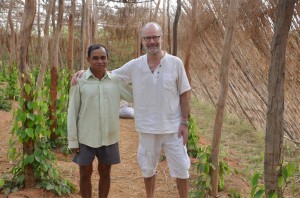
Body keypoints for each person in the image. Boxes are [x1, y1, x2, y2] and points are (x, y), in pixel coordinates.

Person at [72, 22, 191, 198]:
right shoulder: (135, 65)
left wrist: (184, 122)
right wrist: (83, 72)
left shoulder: (175, 63)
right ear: (142, 40)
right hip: (147, 129)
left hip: (173, 129)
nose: (152, 41)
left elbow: (185, 92)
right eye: (147, 38)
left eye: (155, 37)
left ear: (161, 38)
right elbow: (107, 74)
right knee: (148, 169)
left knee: (182, 170)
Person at [68, 44, 132, 198]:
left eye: (103, 57)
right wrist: (73, 140)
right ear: (88, 59)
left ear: (108, 59)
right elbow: (72, 111)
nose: (99, 61)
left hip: (109, 136)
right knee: (84, 173)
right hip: (85, 137)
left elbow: (135, 95)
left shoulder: (115, 81)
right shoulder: (80, 81)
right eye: (95, 58)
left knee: (105, 172)